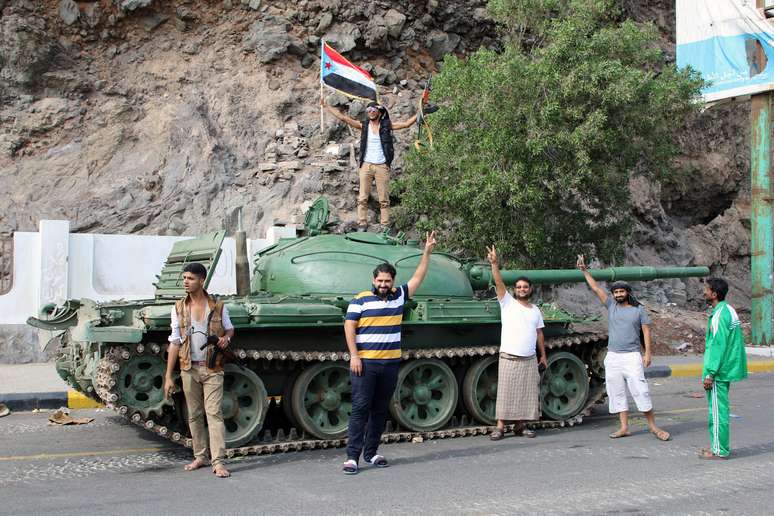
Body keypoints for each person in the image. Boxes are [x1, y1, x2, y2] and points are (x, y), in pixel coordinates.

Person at [341, 231, 437, 474]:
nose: (383, 284)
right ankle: (352, 456)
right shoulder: (360, 300)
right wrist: (354, 355)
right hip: (366, 364)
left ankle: (371, 453)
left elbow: (418, 276)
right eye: (380, 281)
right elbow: (349, 326)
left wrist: (427, 252)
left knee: (380, 410)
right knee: (361, 407)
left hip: (390, 364)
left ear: (393, 281)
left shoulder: (399, 296)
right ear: (374, 280)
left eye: (387, 281)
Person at [576, 254, 670, 441]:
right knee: (616, 391)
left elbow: (646, 332)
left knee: (640, 390)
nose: (619, 294)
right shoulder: (611, 306)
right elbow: (595, 288)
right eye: (616, 292)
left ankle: (653, 426)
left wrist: (648, 353)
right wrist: (585, 271)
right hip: (613, 357)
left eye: (621, 292)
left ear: (628, 293)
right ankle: (624, 427)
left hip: (632, 356)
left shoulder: (639, 310)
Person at [163, 262, 234, 478]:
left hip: (212, 367)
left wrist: (225, 339)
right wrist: (168, 376)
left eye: (190, 278)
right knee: (194, 415)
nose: (185, 281)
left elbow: (230, 329)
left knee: (214, 413)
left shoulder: (219, 306)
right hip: (188, 368)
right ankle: (200, 456)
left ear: (202, 281)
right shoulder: (178, 308)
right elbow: (174, 341)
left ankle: (218, 461)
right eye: (184, 278)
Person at [322, 98, 417, 230]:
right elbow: (343, 118)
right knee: (362, 197)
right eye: (368, 110)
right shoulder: (364, 125)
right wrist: (326, 106)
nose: (371, 112)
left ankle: (384, 224)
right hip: (366, 165)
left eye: (373, 110)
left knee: (383, 198)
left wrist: (421, 111)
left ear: (379, 112)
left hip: (381, 165)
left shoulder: (386, 125)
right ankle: (362, 222)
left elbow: (406, 124)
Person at [485, 245, 547, 440]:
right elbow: (498, 281)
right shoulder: (507, 302)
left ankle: (521, 426)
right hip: (510, 355)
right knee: (505, 393)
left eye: (525, 287)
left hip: (529, 357)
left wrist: (543, 354)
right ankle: (500, 427)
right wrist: (495, 263)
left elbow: (539, 333)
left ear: (530, 289)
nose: (522, 289)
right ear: (515, 290)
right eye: (519, 287)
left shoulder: (535, 310)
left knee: (525, 394)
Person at [700, 277, 747, 460]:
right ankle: (718, 447)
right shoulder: (728, 310)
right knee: (719, 410)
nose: (704, 292)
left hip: (719, 371)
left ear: (714, 294)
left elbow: (718, 346)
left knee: (718, 412)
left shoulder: (720, 314)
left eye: (706, 289)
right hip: (725, 368)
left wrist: (710, 373)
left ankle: (719, 451)